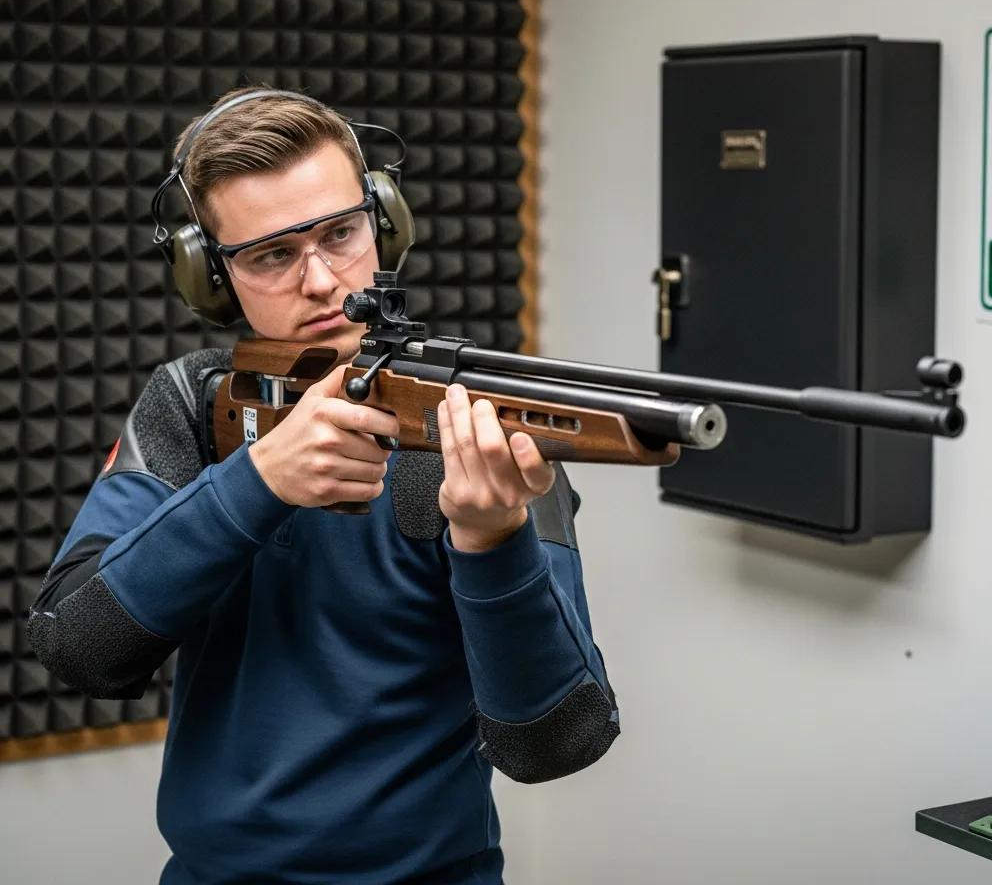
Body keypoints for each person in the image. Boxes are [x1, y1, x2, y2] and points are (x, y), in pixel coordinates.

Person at [27, 89, 620, 885]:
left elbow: (554, 742)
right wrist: (256, 484)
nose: (322, 280)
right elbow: (79, 648)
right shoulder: (194, 406)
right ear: (210, 274)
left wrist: (493, 540)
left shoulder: (469, 419)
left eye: (341, 233)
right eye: (272, 255)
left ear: (383, 222)